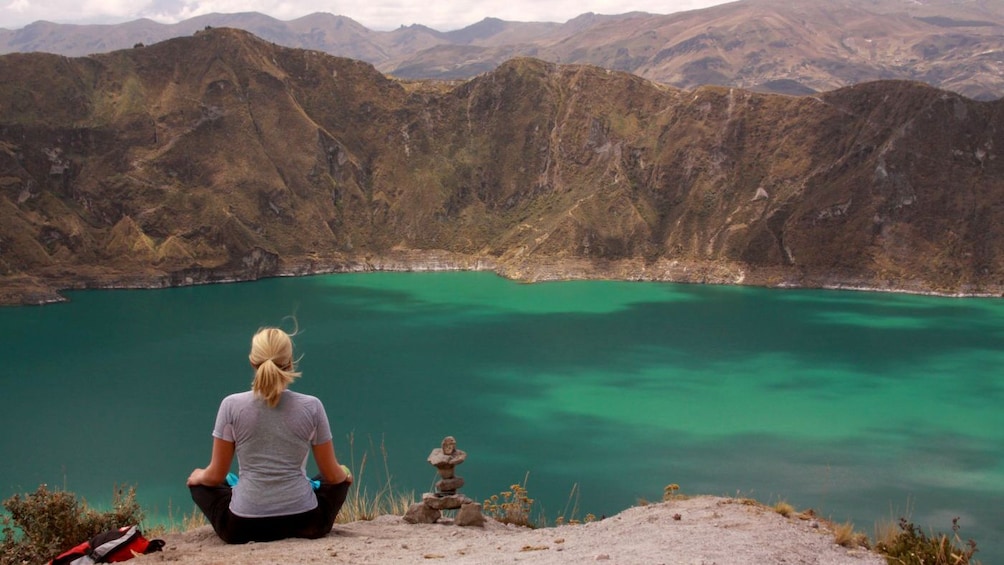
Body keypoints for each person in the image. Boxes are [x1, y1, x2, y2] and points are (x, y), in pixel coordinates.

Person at [187, 326, 352, 544]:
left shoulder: (231, 406)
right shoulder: (312, 406)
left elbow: (216, 475)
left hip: (241, 527)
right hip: (307, 522)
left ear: (252, 362)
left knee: (200, 484)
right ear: (290, 363)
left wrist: (197, 476)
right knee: (339, 475)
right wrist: (345, 476)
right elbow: (332, 476)